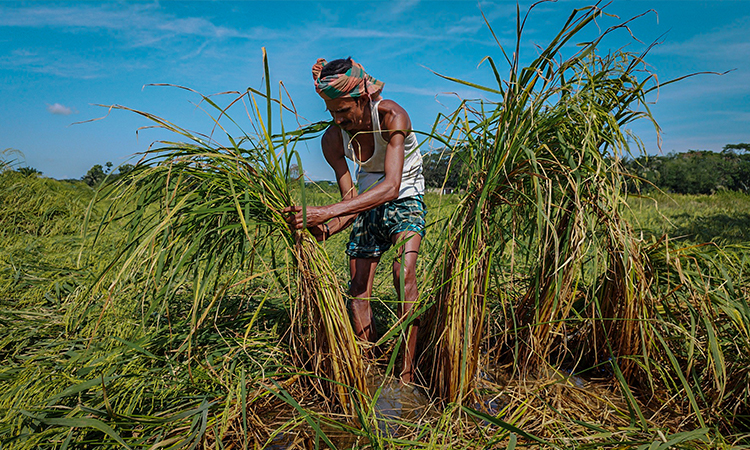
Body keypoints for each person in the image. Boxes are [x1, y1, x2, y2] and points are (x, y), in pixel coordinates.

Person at [283, 57, 426, 384]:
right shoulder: (332, 140)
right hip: (365, 201)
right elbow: (350, 202)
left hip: (405, 193)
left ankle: (406, 373)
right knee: (358, 286)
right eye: (331, 112)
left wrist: (325, 212)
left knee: (403, 271)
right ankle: (370, 365)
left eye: (343, 110)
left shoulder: (392, 116)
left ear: (363, 99)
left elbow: (390, 187)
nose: (337, 119)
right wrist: (324, 228)